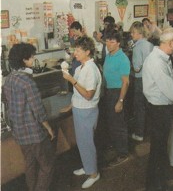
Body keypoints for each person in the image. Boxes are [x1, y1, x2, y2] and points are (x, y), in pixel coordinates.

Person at [142, 27, 173, 191]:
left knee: (159, 149)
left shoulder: (163, 57)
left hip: (159, 109)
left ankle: (157, 182)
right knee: (158, 150)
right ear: (170, 43)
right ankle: (155, 185)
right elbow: (172, 94)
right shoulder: (157, 62)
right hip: (160, 110)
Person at [3, 43, 55, 191]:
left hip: (19, 133)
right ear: (24, 60)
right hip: (33, 133)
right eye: (31, 57)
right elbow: (38, 110)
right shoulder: (27, 82)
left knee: (30, 164)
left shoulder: (9, 79)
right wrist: (48, 127)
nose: (33, 59)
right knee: (47, 165)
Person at [61, 37, 101, 189]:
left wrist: (71, 80)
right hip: (79, 109)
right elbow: (78, 94)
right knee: (82, 142)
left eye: (78, 50)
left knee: (87, 143)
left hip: (87, 111)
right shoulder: (79, 68)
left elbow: (88, 95)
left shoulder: (91, 69)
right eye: (75, 49)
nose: (74, 53)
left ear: (87, 52)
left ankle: (94, 174)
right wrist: (71, 106)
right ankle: (87, 167)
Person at [103, 30, 131, 166]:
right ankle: (116, 146)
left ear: (118, 43)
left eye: (112, 42)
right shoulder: (109, 55)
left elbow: (125, 82)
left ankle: (123, 153)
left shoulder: (123, 59)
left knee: (119, 124)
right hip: (108, 92)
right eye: (107, 41)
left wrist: (120, 101)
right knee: (111, 122)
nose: (108, 44)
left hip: (117, 92)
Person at [129, 21, 154, 141]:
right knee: (148, 106)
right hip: (150, 79)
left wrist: (129, 66)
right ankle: (149, 132)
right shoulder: (149, 44)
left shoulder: (137, 47)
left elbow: (137, 68)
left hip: (140, 79)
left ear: (139, 33)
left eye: (133, 32)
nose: (131, 35)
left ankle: (139, 134)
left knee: (139, 107)